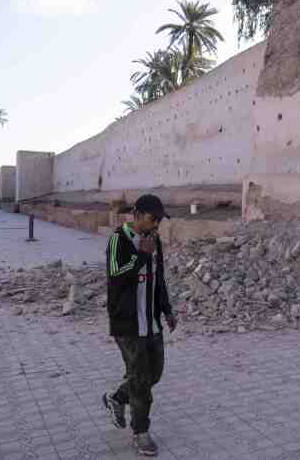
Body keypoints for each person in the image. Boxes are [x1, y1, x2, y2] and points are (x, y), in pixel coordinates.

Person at [102, 194, 176, 457]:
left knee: (154, 373)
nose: (156, 224)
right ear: (137, 214)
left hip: (152, 323)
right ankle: (140, 432)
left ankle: (118, 398)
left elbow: (159, 280)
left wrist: (167, 309)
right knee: (142, 381)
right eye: (152, 218)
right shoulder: (117, 240)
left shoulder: (154, 241)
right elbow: (116, 277)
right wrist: (141, 256)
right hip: (128, 325)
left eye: (159, 219)